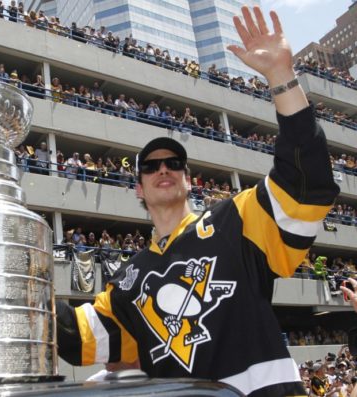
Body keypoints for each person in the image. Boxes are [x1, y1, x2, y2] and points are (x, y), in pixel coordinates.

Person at [55, 6, 339, 397]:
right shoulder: (128, 279)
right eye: (151, 167)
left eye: (174, 163)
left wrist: (279, 76)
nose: (163, 169)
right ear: (139, 188)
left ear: (189, 181)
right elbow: (75, 336)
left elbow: (307, 182)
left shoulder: (236, 220)